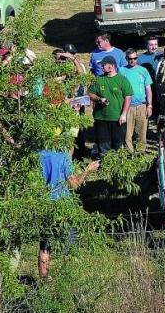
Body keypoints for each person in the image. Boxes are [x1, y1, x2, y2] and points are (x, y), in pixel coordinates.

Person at [36, 149, 99, 278]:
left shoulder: (38, 154)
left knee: (45, 248)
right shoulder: (63, 157)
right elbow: (74, 184)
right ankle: (67, 283)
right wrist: (88, 170)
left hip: (45, 206)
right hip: (64, 207)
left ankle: (44, 284)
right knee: (69, 248)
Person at [87, 55, 132, 155]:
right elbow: (90, 93)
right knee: (103, 146)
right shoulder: (99, 79)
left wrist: (124, 114)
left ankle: (117, 166)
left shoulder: (122, 80)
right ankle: (104, 165)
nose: (101, 67)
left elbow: (128, 97)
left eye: (103, 65)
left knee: (118, 146)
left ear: (111, 66)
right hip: (101, 118)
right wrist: (99, 99)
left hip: (117, 118)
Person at [121, 48, 153, 152]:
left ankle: (140, 155)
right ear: (126, 58)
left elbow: (148, 89)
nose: (133, 60)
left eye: (135, 58)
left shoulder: (143, 71)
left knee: (141, 134)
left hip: (141, 106)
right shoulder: (121, 70)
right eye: (130, 58)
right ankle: (129, 155)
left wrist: (149, 106)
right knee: (127, 135)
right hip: (127, 107)